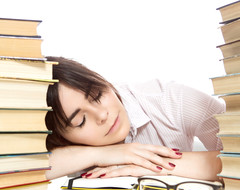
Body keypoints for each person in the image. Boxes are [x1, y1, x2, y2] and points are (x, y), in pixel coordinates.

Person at [45, 56, 225, 181]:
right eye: (80, 121)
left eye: (97, 95)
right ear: (60, 137)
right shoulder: (53, 140)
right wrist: (99, 154)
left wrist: (155, 165)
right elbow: (19, 171)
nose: (101, 115)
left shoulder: (172, 100)